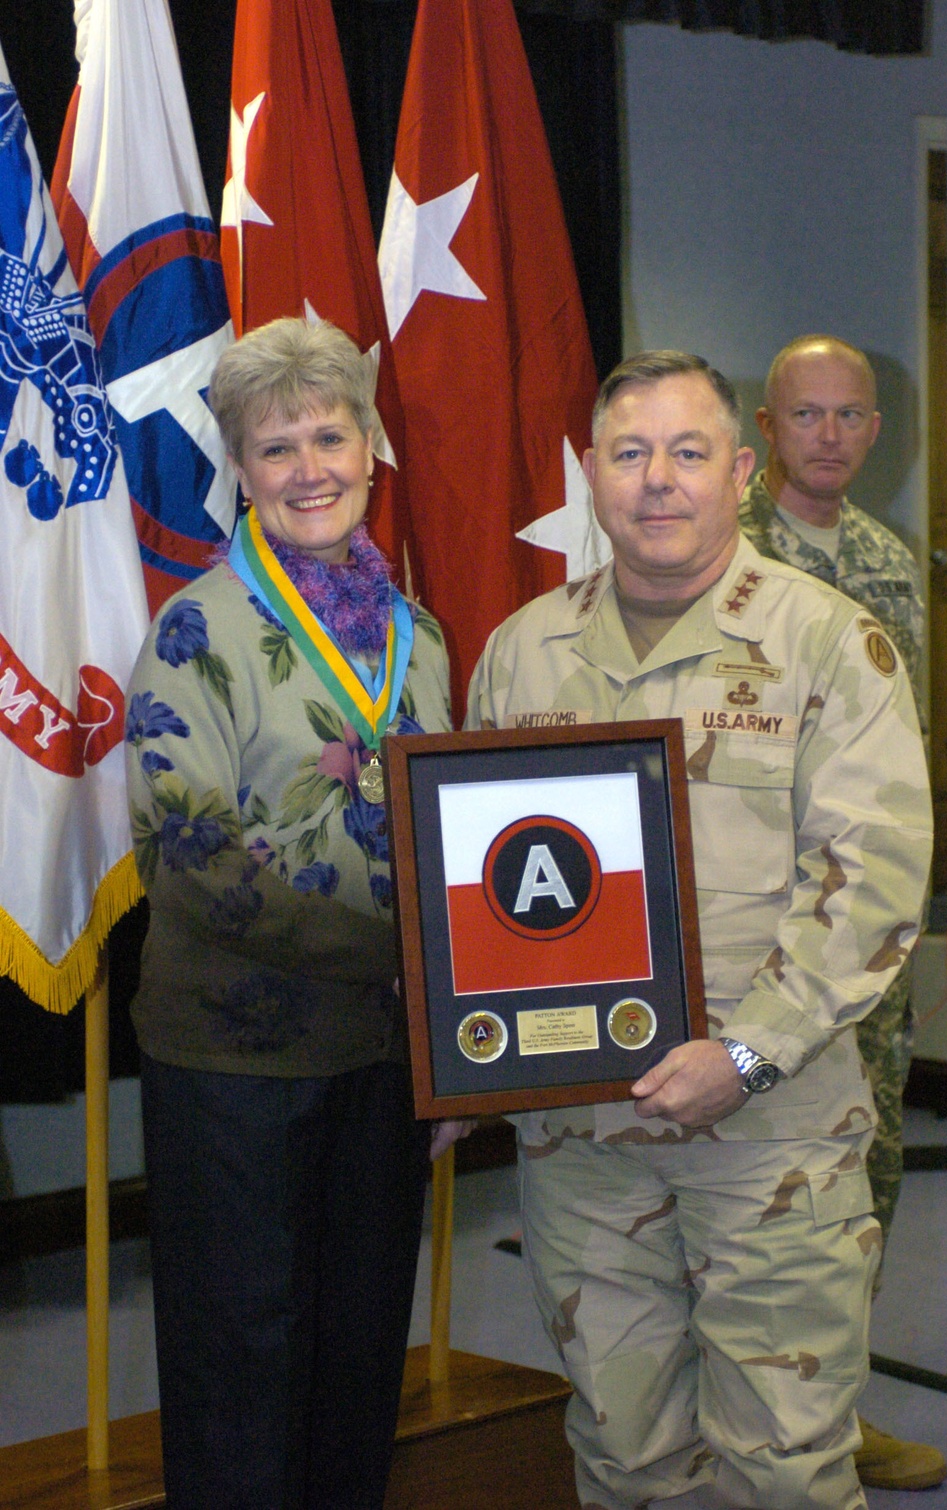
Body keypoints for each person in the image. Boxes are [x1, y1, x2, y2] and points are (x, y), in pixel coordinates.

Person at [466, 351, 932, 1510]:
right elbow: (478, 889)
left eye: (686, 453)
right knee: (626, 1458)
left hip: (769, 1136)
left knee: (783, 1467)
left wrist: (744, 1051)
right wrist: (461, 1041)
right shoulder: (523, 652)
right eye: (628, 454)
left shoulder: (828, 642)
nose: (656, 481)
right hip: (582, 1139)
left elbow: (871, 885)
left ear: (739, 469)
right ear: (589, 474)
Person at [125, 317, 465, 1509]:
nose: (311, 466)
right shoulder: (194, 629)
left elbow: (443, 840)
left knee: (357, 1365)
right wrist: (413, 964)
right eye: (277, 447)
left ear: (373, 447)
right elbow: (193, 854)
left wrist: (446, 1016)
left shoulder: (420, 640)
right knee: (242, 1370)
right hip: (234, 1062)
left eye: (331, 434)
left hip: (381, 1059)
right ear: (242, 471)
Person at [741, 335, 945, 1492]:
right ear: (765, 430)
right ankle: (742, 1413)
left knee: (867, 1164)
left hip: (866, 925)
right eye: (806, 415)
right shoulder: (727, 553)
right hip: (757, 928)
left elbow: (900, 756)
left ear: (874, 429)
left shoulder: (883, 556)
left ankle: (836, 1412)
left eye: (850, 416)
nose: (829, 435)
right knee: (756, 1174)